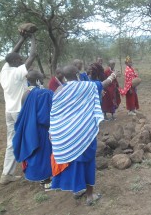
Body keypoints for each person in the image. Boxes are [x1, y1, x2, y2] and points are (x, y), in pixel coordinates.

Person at [50, 65, 116, 205]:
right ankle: (90, 196)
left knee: (74, 161)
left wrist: (53, 131)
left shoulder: (59, 90)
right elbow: (104, 83)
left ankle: (77, 190)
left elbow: (55, 113)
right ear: (78, 74)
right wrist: (113, 76)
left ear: (64, 76)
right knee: (87, 162)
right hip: (84, 133)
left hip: (68, 134)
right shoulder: (86, 86)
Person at [0, 31, 36, 185]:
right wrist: (33, 37)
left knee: (11, 142)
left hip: (9, 111)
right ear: (15, 61)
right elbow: (32, 56)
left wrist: (22, 38)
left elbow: (12, 53)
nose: (22, 60)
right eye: (20, 59)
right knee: (31, 137)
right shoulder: (17, 73)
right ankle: (35, 170)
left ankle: (6, 174)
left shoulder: (4, 70)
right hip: (20, 111)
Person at [12, 70, 53, 187]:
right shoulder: (44, 93)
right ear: (37, 80)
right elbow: (46, 116)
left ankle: (36, 176)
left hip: (28, 128)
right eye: (42, 79)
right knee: (43, 153)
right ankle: (46, 181)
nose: (43, 81)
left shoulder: (25, 93)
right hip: (41, 129)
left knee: (33, 151)